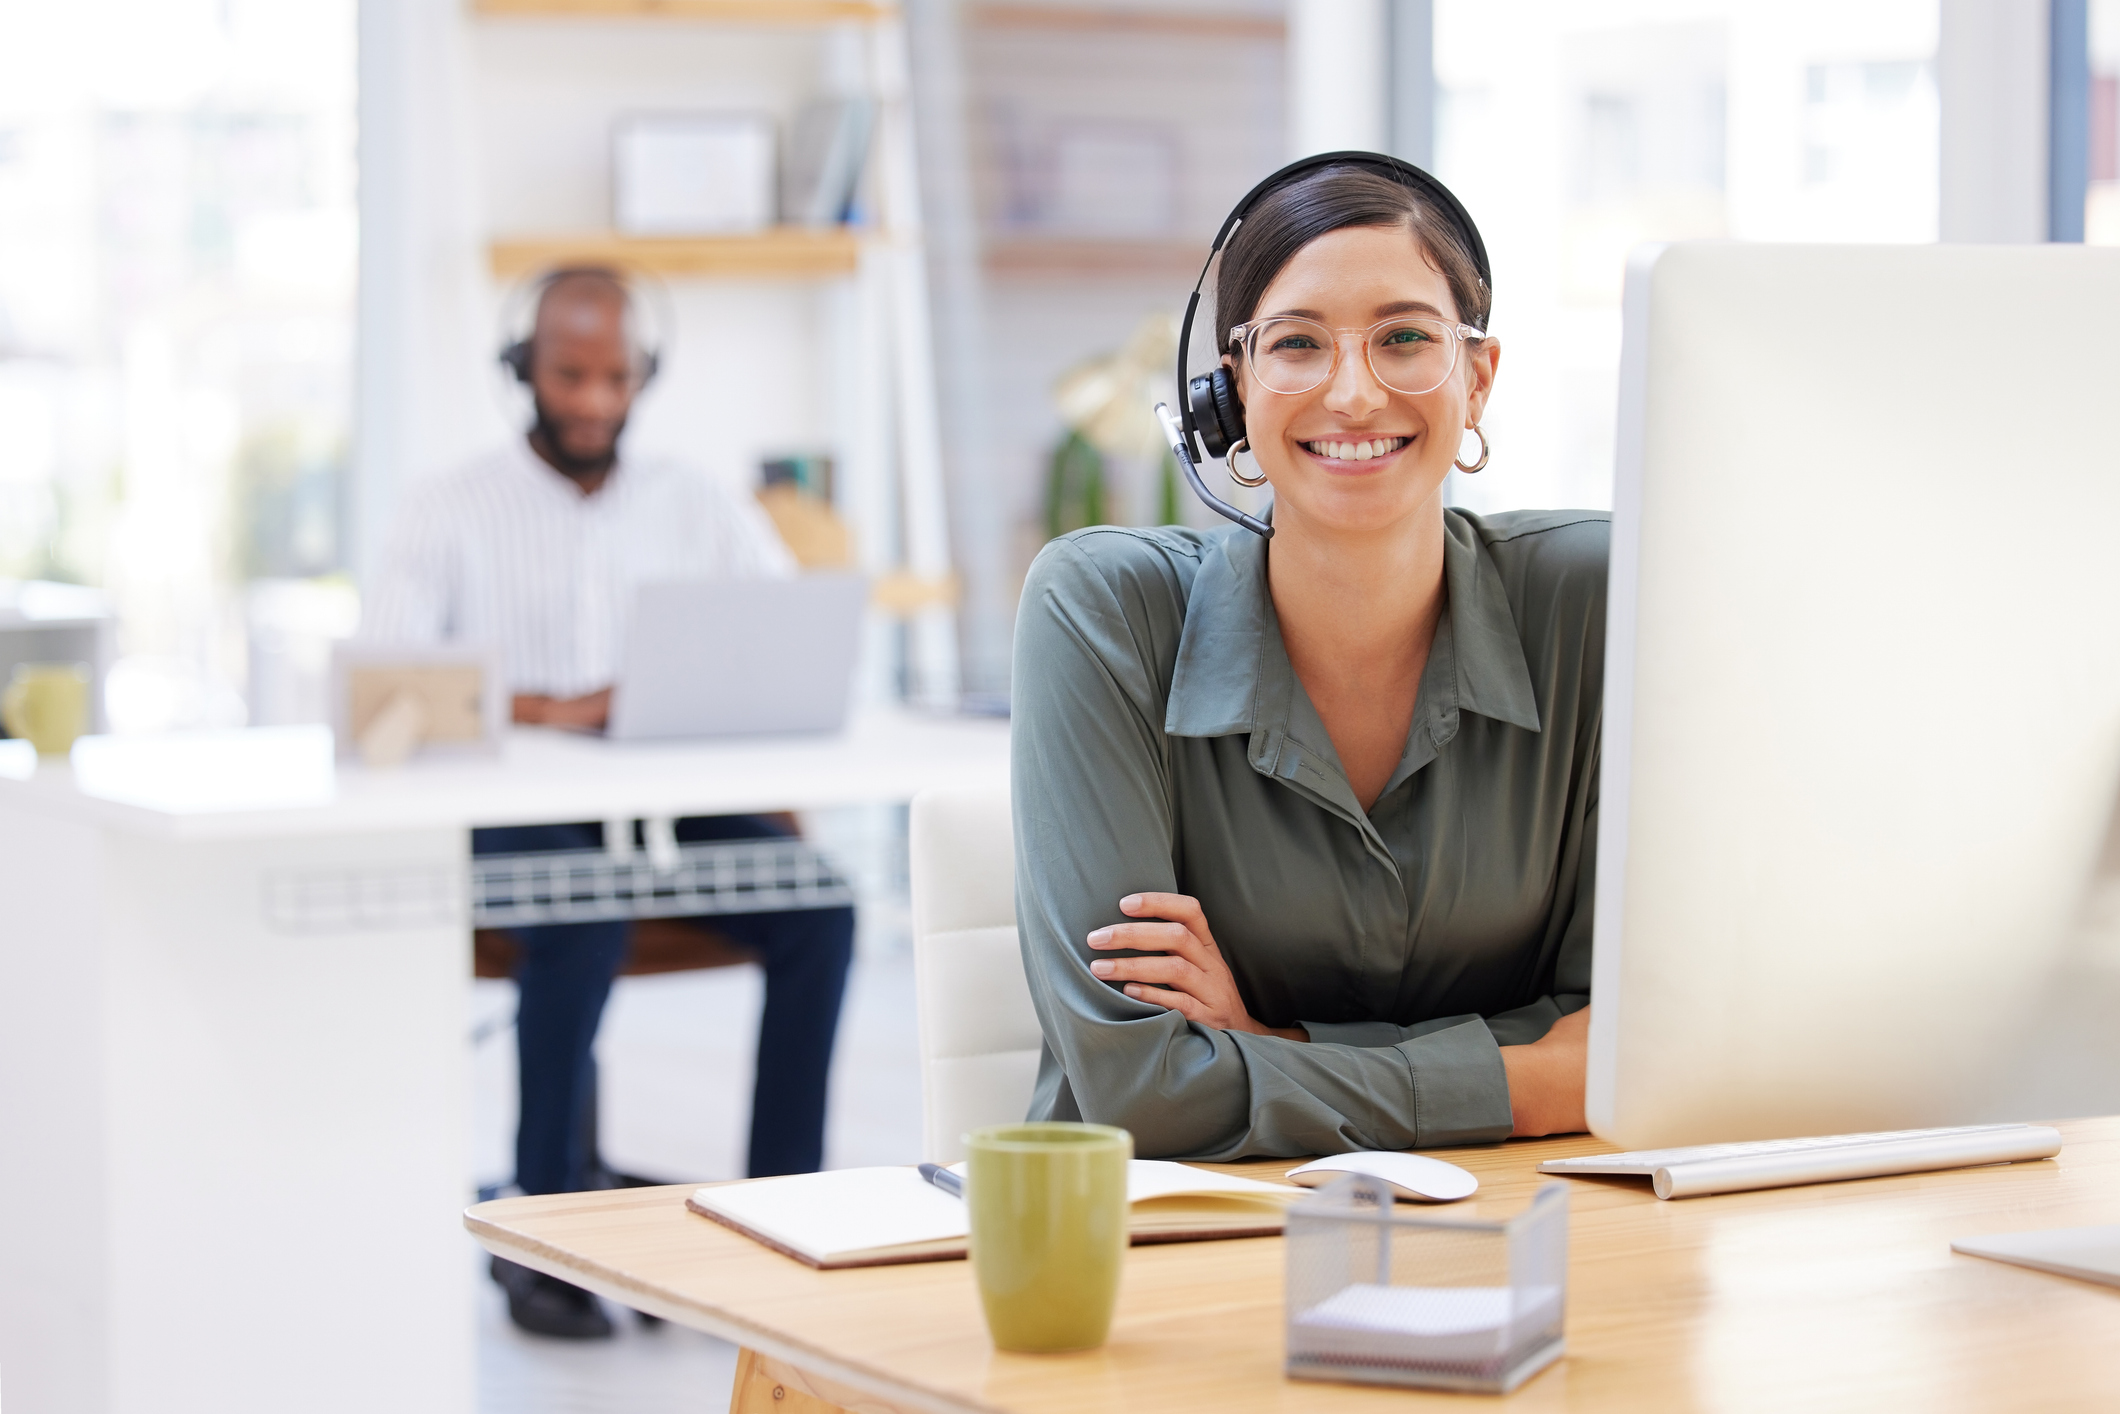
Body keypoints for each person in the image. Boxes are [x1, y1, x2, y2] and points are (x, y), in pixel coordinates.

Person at [1010, 160, 1599, 1159]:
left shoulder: (1593, 598)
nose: (1355, 392)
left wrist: (1269, 1048)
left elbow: (1640, 1043)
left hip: (1542, 1220)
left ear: (1478, 376)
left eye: (1404, 337)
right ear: (1232, 392)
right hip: (1191, 1248)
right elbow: (1136, 1090)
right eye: (1296, 344)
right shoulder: (1101, 610)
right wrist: (1528, 1075)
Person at [365, 267, 856, 1338]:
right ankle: (546, 1229)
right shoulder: (447, 507)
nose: (591, 399)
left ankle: (780, 1209)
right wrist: (554, 705)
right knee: (581, 911)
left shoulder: (695, 501)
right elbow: (388, 693)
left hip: (669, 810)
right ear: (521, 371)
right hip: (506, 815)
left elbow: (783, 638)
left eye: (613, 376)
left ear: (644, 376)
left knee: (819, 908)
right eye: (568, 374)